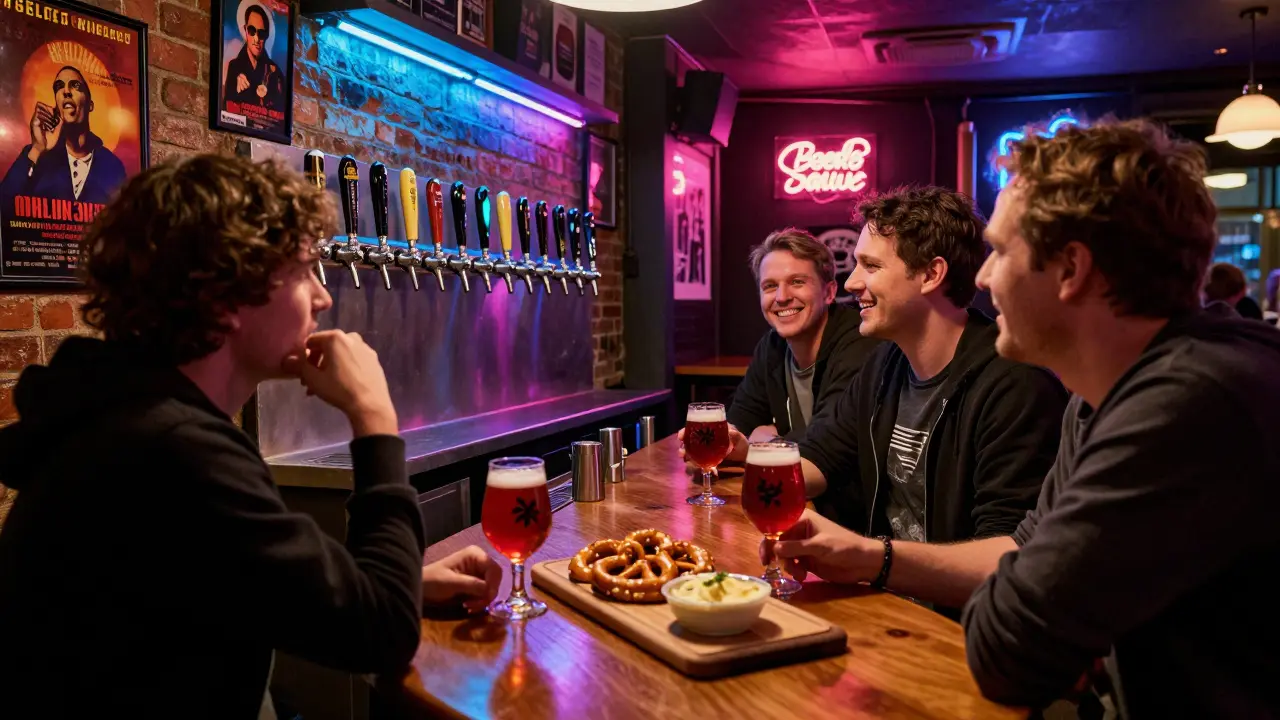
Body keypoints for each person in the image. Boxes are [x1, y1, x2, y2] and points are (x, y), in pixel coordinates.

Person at [0, 154, 502, 717]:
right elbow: (381, 633)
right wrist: (374, 417)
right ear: (225, 295)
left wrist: (404, 584)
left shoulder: (130, 421)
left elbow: (257, 583)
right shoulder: (172, 452)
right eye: (304, 271)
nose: (323, 297)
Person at [952, 119, 1280, 715]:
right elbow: (1029, 560)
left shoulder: (1191, 401)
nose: (981, 277)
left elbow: (1006, 649)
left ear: (1071, 269)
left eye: (998, 251)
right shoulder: (1103, 391)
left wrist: (1059, 617)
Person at [770, 186, 1067, 612]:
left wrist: (873, 560)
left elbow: (1011, 556)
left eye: (871, 266)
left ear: (931, 274)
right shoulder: (884, 364)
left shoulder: (1014, 384)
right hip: (889, 606)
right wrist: (753, 470)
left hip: (958, 625)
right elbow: (821, 456)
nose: (852, 282)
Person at [679, 228, 880, 463]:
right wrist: (721, 441)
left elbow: (830, 442)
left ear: (829, 292)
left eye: (797, 282)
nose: (782, 297)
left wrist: (762, 443)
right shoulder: (772, 346)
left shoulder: (859, 342)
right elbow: (740, 420)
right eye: (770, 286)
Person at [0, 65, 127, 205]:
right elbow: (4, 205)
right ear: (57, 106)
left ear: (90, 105)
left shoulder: (112, 165)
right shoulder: (37, 155)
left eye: (75, 86)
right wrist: (37, 149)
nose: (66, 91)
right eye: (59, 87)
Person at [222, 4, 287, 114]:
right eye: (252, 31)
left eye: (261, 33)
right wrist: (237, 90)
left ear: (266, 36)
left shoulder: (276, 73)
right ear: (245, 30)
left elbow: (281, 113)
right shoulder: (234, 67)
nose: (256, 39)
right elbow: (226, 111)